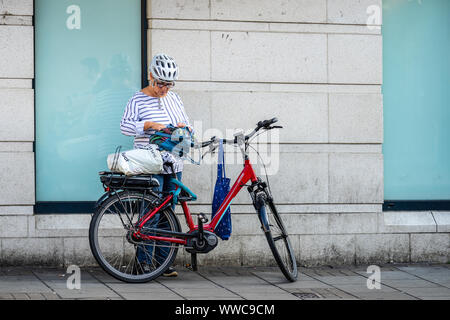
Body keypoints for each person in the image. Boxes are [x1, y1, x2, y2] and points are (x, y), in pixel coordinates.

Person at [120, 53, 193, 277]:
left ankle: (164, 263)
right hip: (151, 165)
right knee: (149, 213)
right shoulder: (137, 99)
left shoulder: (174, 98)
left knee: (167, 213)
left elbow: (189, 126)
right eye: (161, 83)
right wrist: (149, 124)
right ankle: (144, 263)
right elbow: (125, 127)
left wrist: (184, 129)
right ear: (151, 76)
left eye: (168, 84)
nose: (164, 89)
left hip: (174, 164)